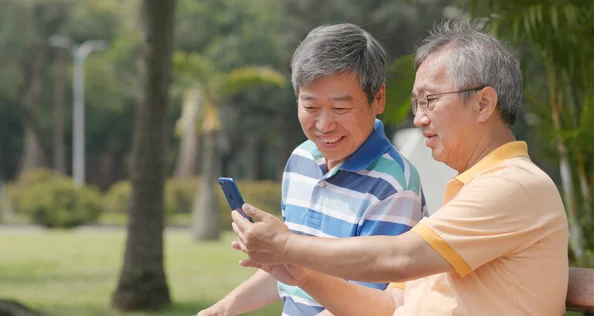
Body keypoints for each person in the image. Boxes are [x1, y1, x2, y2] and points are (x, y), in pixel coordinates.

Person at [231, 18, 569, 316]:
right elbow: (391, 307)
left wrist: (287, 247)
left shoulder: (514, 185)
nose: (419, 118)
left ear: (483, 103)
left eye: (429, 100)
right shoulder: (468, 191)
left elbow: (399, 258)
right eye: (417, 103)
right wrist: (300, 272)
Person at [197, 23, 427, 316]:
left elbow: (369, 304)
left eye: (340, 109)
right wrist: (222, 309)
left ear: (378, 98)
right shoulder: (301, 159)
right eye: (310, 106)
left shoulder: (395, 185)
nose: (323, 125)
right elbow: (292, 273)